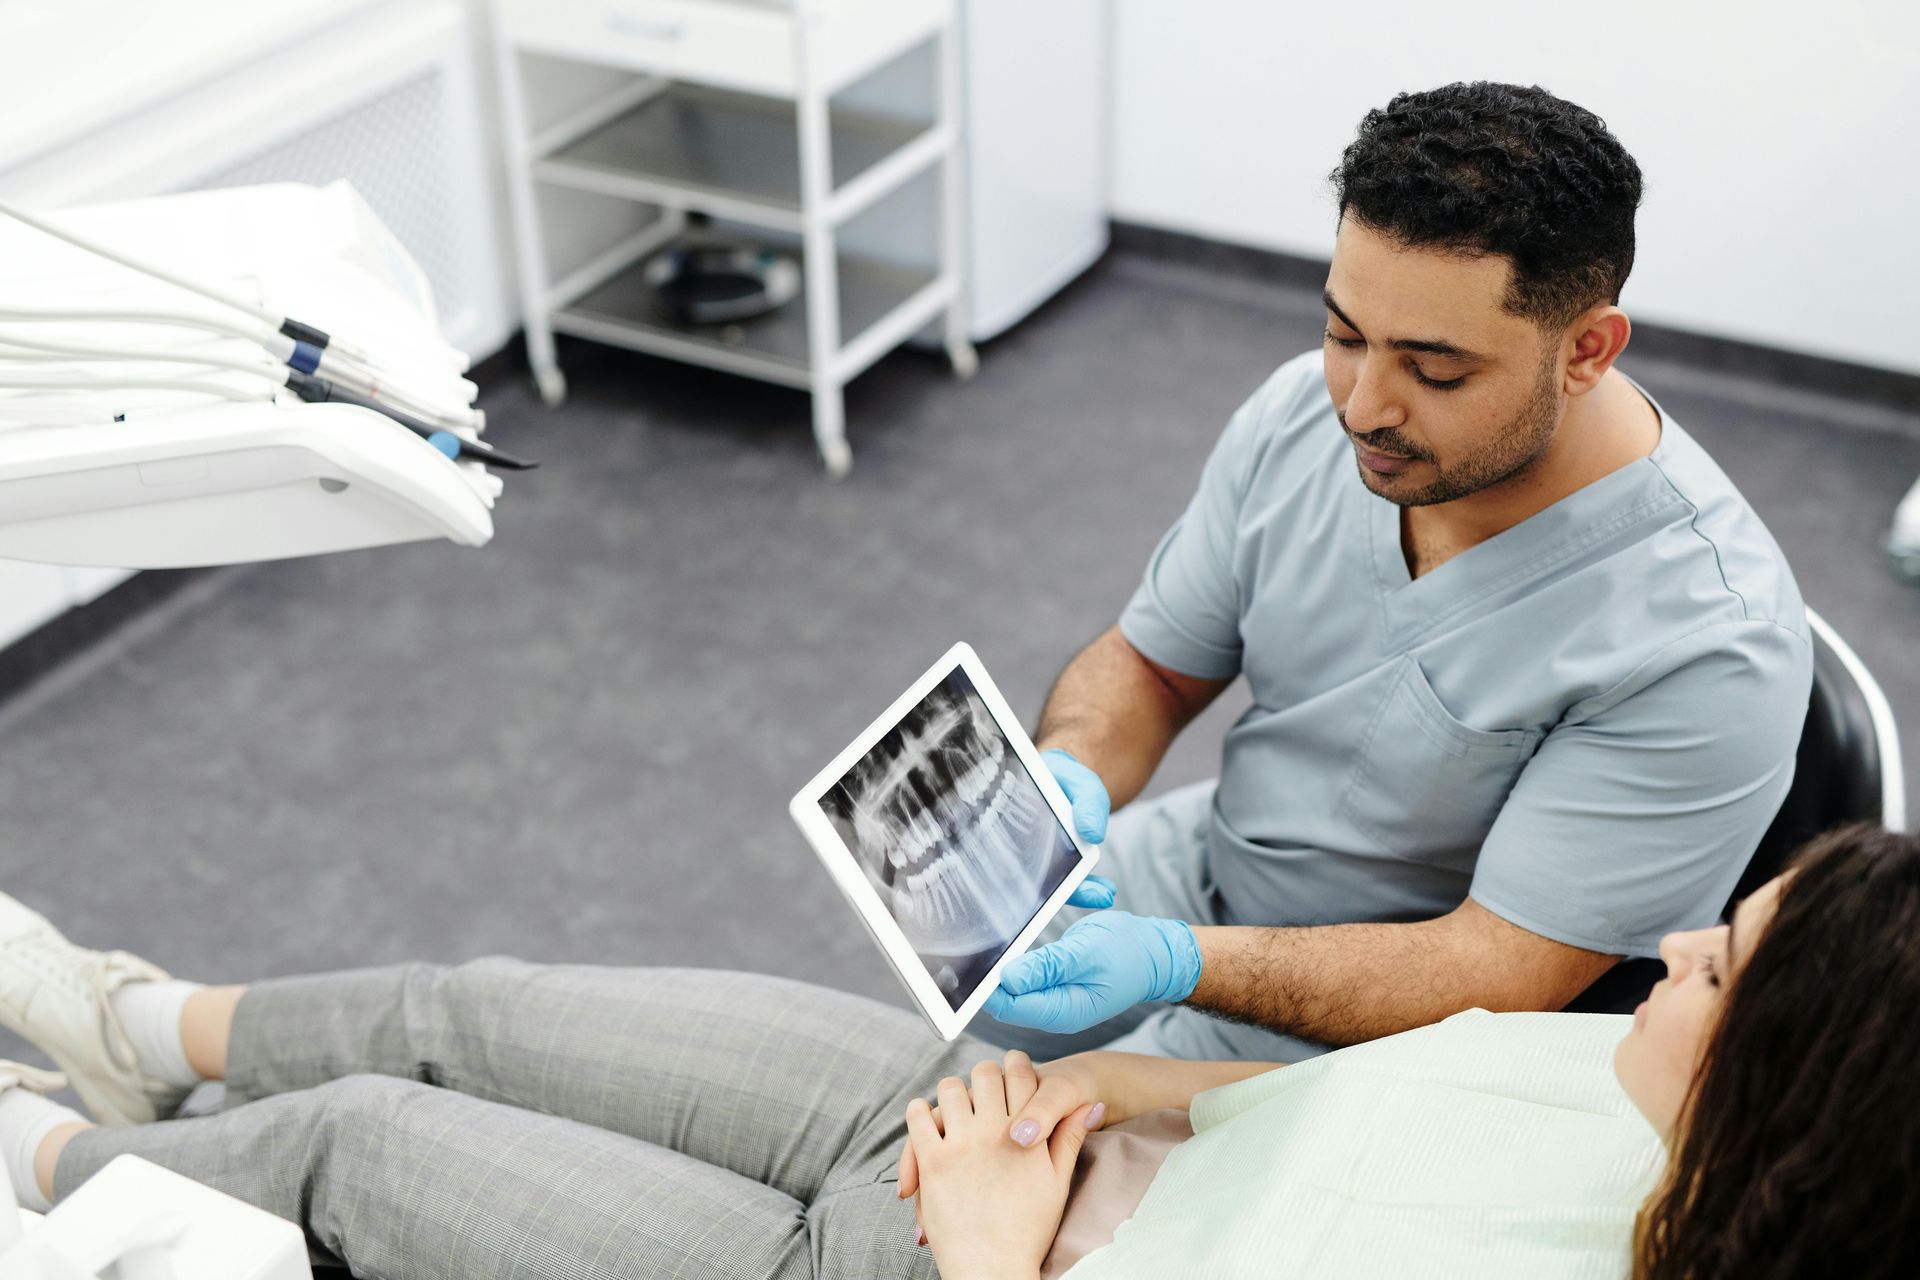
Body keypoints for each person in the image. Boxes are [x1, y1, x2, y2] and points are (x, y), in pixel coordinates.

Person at [3, 825, 1916, 1279]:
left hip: (926, 1266)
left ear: (1801, 1093)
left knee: (361, 1150)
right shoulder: (1598, 1078)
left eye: (1724, 965)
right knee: (476, 1007)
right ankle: (131, 1028)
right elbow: (1296, 1098)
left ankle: (39, 1168)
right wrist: (1080, 1089)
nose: (1677, 946)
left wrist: (995, 1246)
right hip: (1021, 1136)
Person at [983, 80, 1812, 1061]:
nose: (1362, 405)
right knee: (971, 984)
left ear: (1585, 349)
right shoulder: (1303, 411)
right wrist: (1072, 761)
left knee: (1000, 1150)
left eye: (1436, 369)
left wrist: (1183, 966)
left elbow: (1496, 968)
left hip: (1390, 1030)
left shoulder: (1710, 637)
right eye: (1345, 334)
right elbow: (1155, 665)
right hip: (1211, 862)